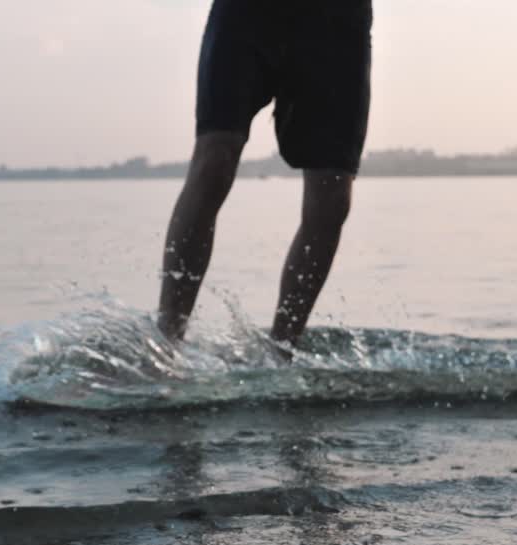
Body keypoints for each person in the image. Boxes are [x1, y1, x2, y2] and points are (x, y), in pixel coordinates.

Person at [156, 0, 373, 348]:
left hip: (338, 21)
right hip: (247, 14)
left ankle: (282, 349)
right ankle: (167, 342)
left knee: (332, 196)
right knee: (214, 160)